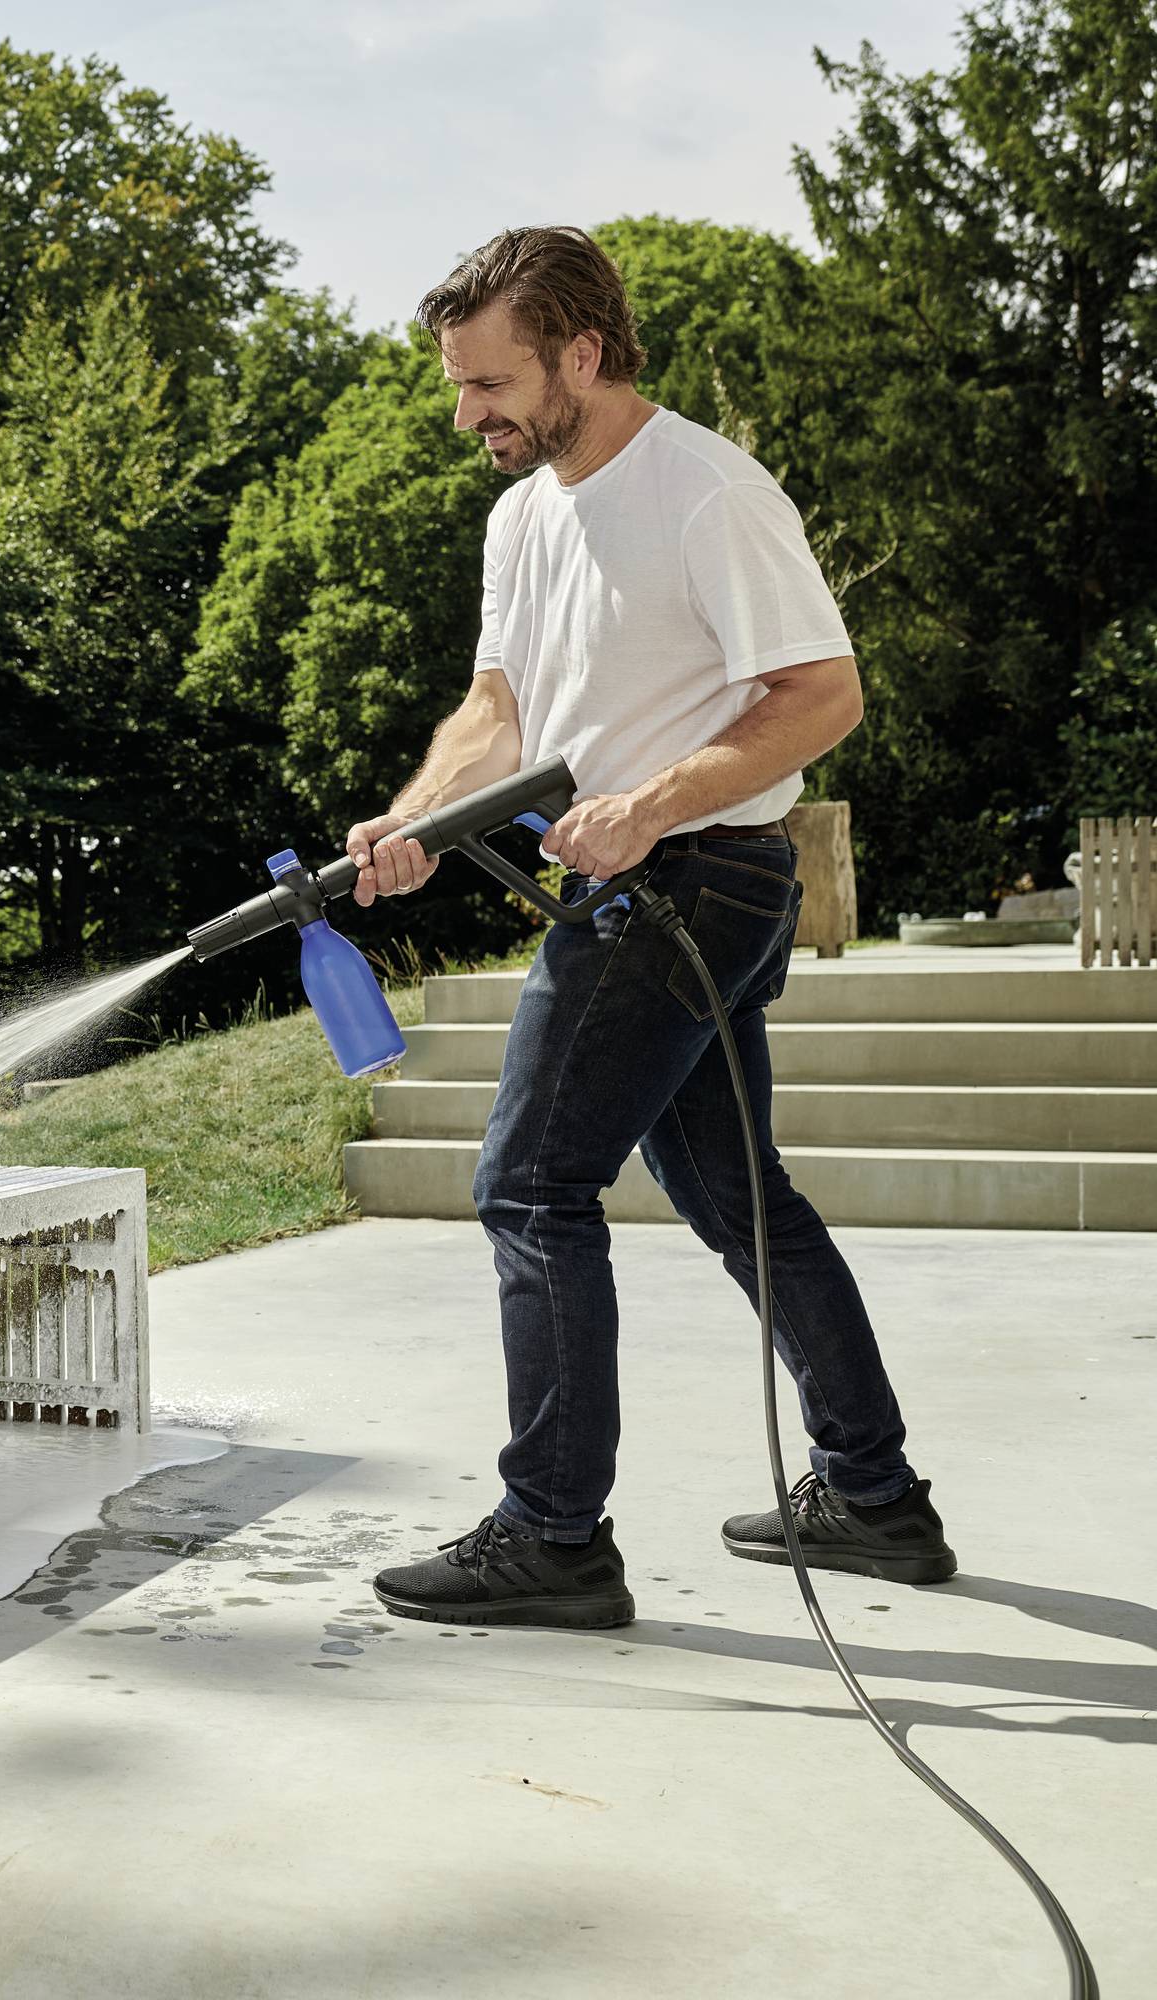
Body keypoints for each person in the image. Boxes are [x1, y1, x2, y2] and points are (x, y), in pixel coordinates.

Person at [357, 226, 955, 1630]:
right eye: (459, 386)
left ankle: (554, 1535)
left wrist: (648, 803)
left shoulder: (707, 492)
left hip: (693, 880)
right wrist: (414, 819)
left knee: (529, 1185)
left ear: (581, 354)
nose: (468, 414)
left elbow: (821, 695)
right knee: (740, 1197)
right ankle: (875, 1497)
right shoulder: (524, 518)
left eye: (491, 383)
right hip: (648, 887)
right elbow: (500, 709)